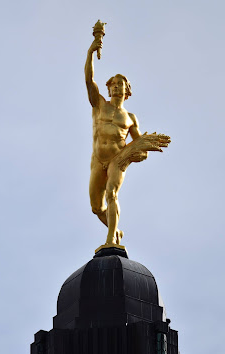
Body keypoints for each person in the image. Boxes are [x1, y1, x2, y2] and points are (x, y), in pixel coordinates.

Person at [85, 37, 170, 246]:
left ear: (127, 90)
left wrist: (132, 153)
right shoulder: (99, 105)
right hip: (98, 159)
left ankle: (110, 241)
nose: (115, 87)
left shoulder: (130, 118)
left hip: (117, 160)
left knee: (112, 194)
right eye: (113, 84)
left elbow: (141, 148)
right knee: (96, 207)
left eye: (120, 84)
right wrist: (90, 53)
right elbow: (89, 80)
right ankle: (116, 232)